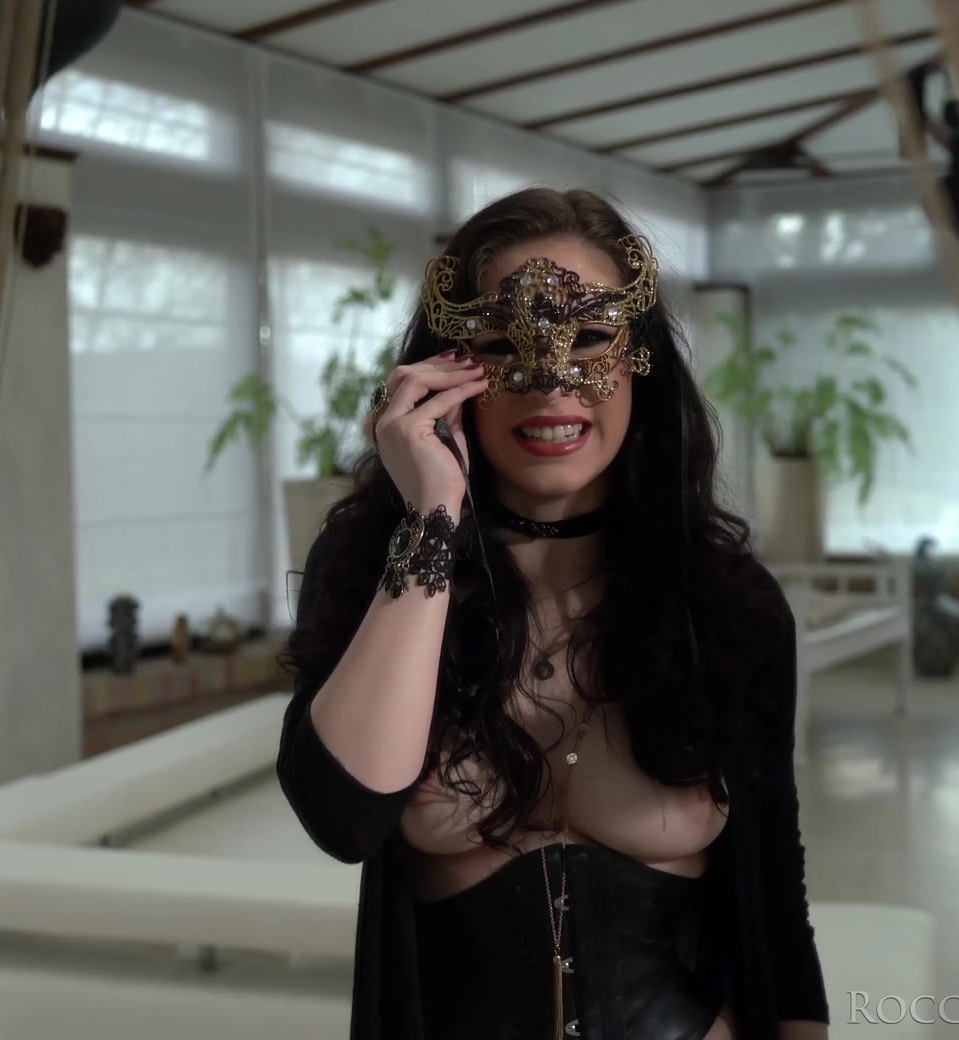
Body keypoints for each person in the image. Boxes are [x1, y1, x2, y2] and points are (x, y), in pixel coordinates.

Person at [276, 187, 829, 1040]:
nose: (552, 381)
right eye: (502, 343)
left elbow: (774, 887)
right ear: (447, 371)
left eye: (593, 336)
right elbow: (343, 819)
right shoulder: (373, 577)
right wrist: (431, 518)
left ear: (640, 356)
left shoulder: (728, 603)